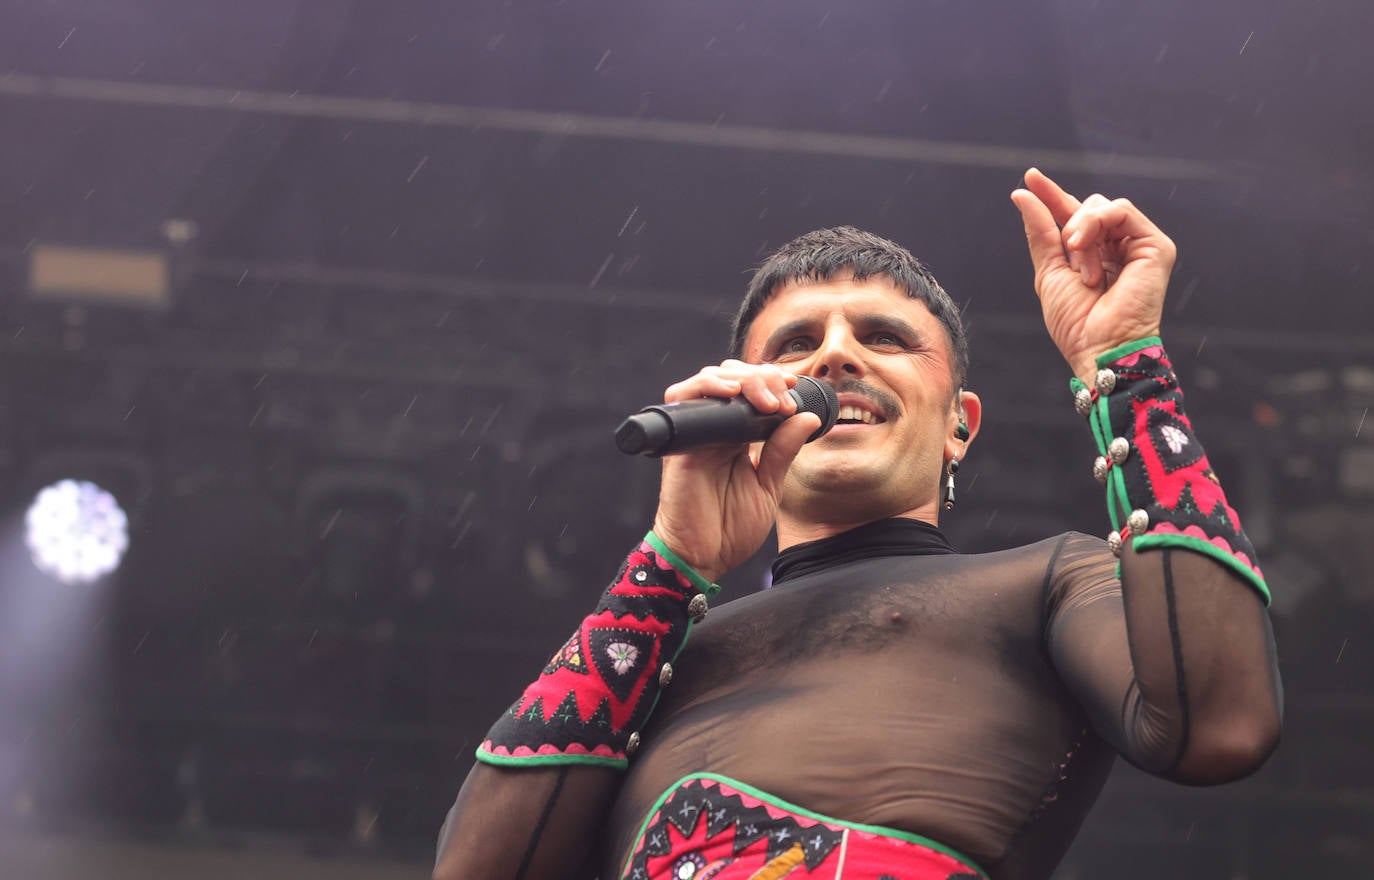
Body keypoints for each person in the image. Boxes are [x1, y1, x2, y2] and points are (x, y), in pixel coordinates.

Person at [432, 169, 1282, 880]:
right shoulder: (656, 664)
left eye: (885, 336)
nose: (835, 356)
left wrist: (1124, 362)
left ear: (960, 423)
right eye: (795, 342)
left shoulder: (1046, 581)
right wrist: (673, 561)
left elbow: (1221, 725)